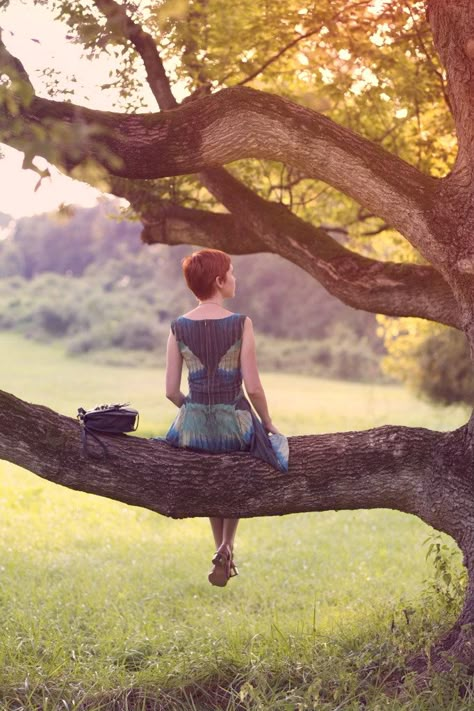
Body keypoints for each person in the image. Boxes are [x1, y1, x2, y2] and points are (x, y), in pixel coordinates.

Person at [163, 248, 289, 587]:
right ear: (219, 281)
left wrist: (196, 411)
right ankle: (227, 546)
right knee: (235, 467)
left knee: (211, 474)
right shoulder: (240, 323)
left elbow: (171, 392)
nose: (235, 278)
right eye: (231, 273)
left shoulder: (177, 327)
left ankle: (221, 548)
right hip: (234, 420)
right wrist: (267, 422)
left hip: (193, 424)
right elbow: (254, 387)